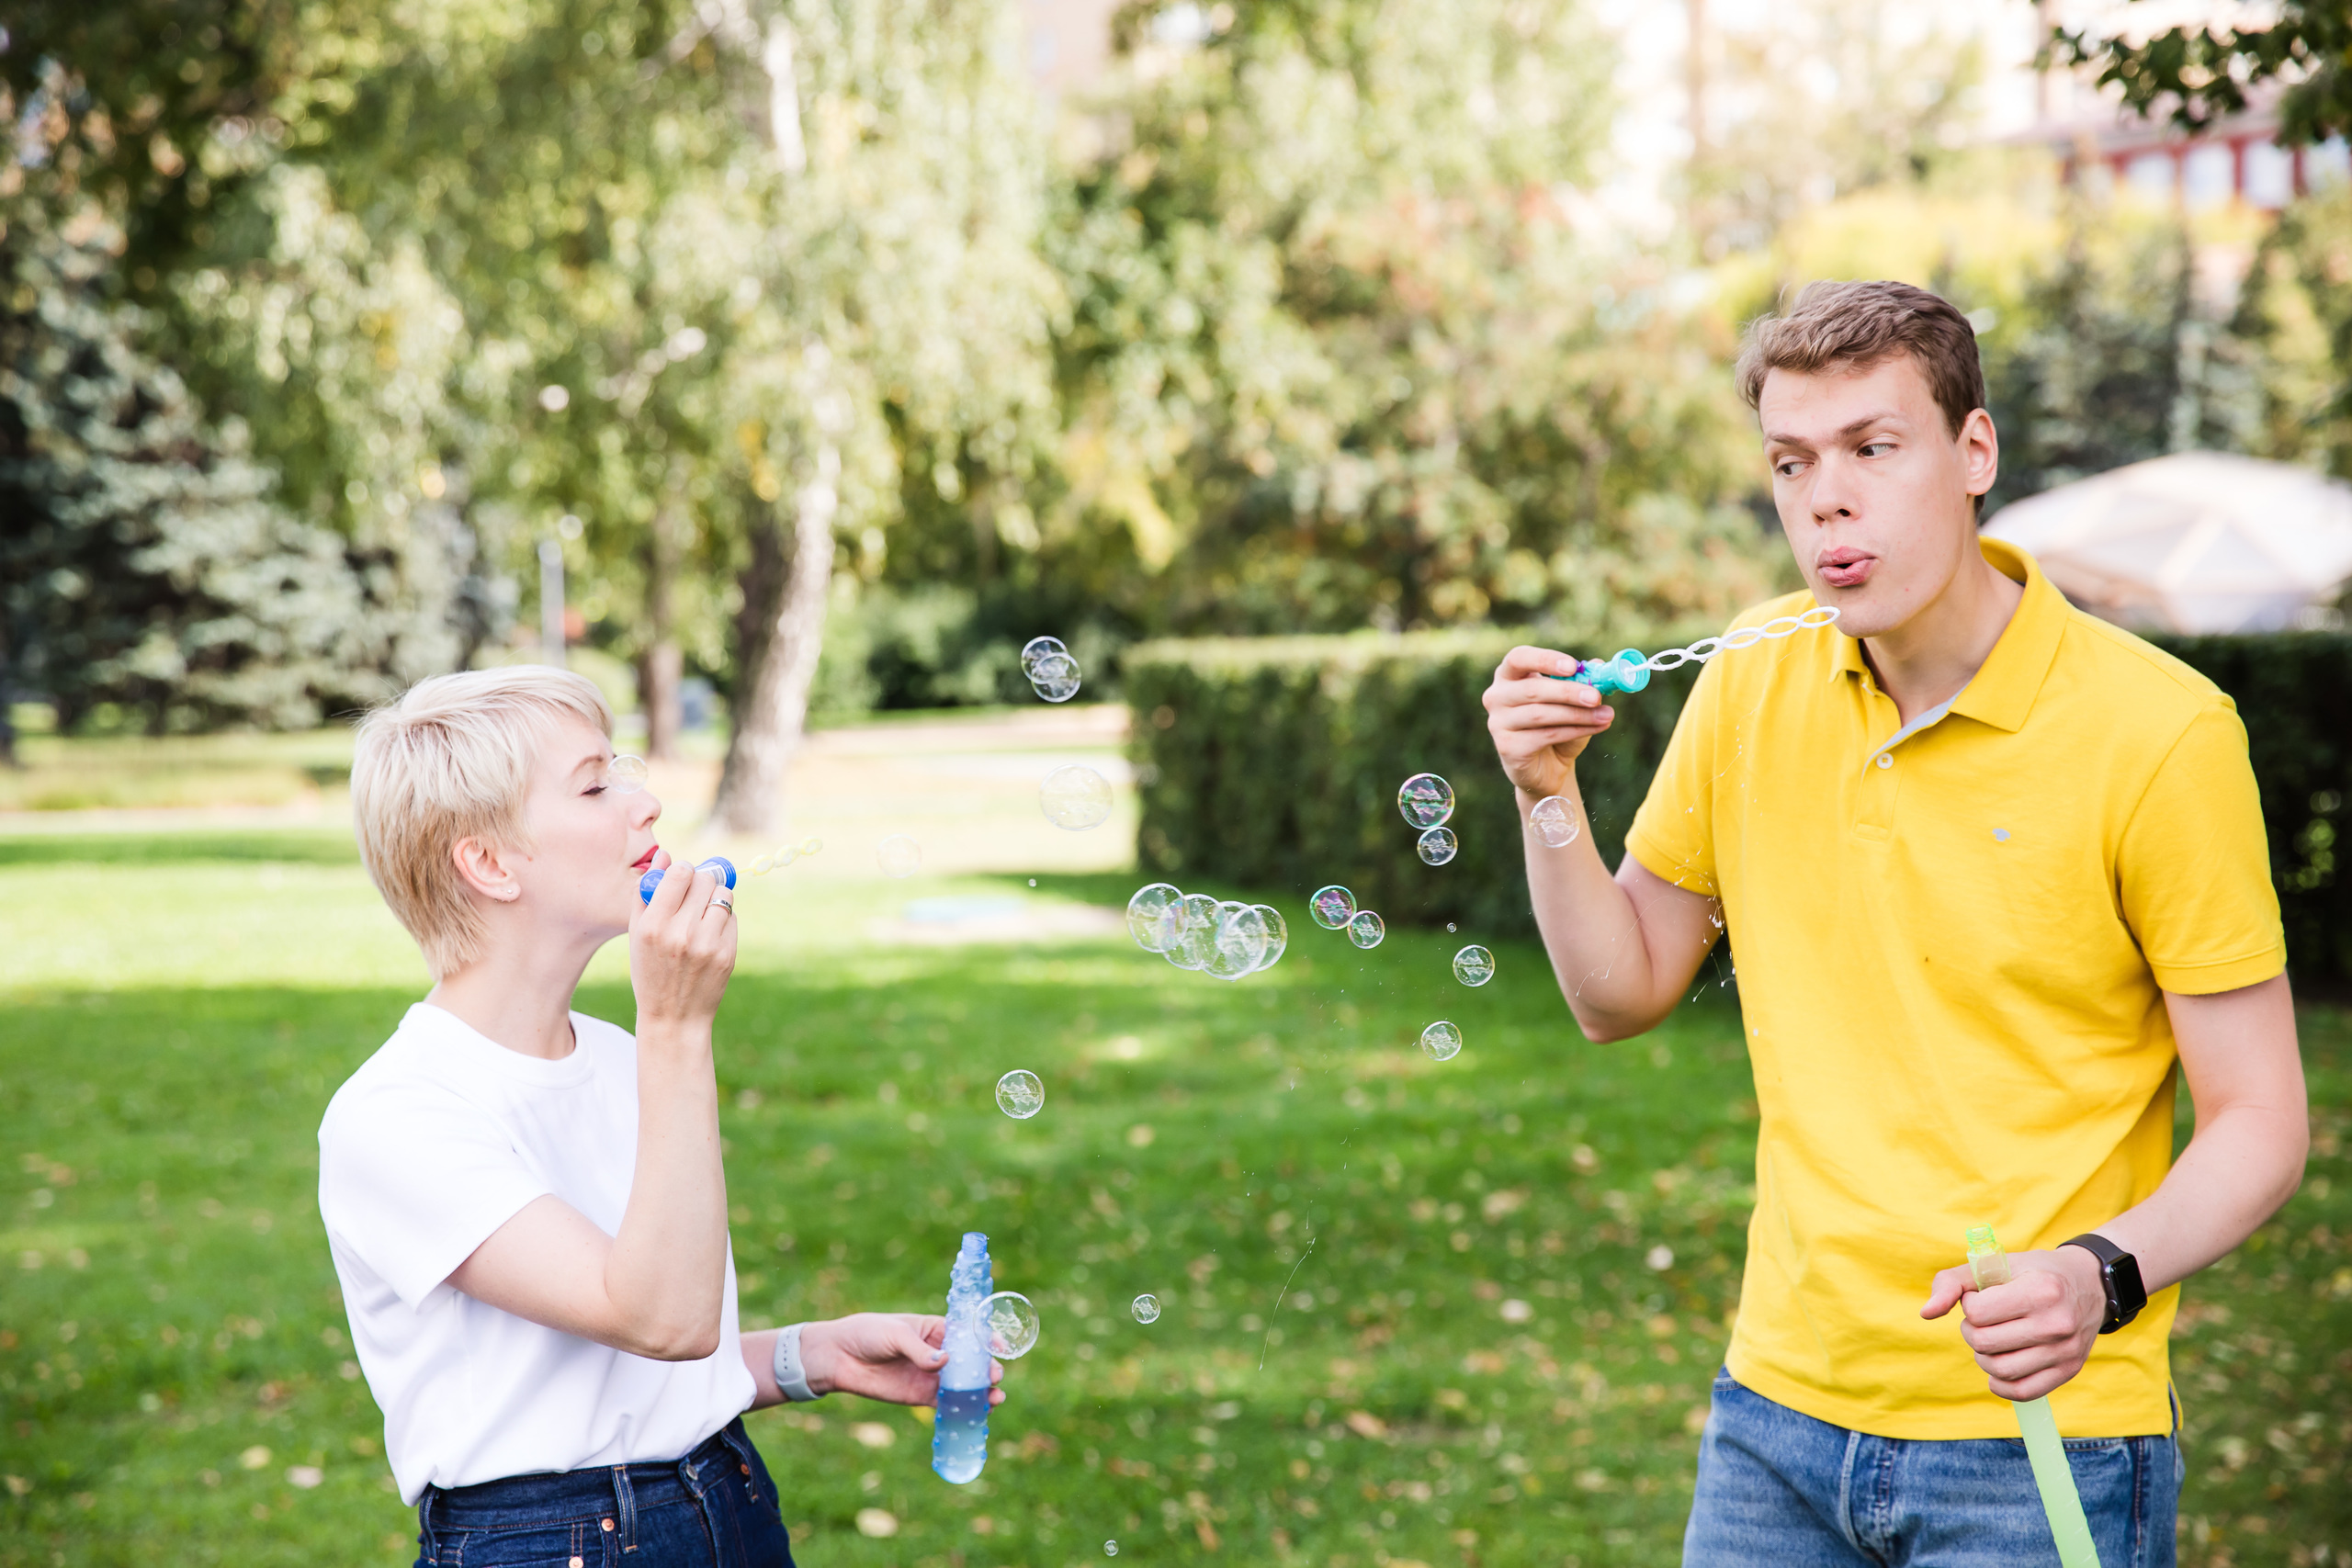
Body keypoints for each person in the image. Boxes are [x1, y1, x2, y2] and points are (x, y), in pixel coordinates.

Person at [1482, 280, 2306, 1567]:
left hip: (2041, 1436)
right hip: (1775, 1416)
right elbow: (1618, 988)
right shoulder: (1754, 673)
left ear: (1973, 455)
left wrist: (2101, 1270)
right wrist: (1547, 797)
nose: (1828, 498)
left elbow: (2262, 1117)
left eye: (1874, 448)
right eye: (1792, 462)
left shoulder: (2160, 733)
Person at [320, 666, 1001, 1567]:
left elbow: (634, 1375)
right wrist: (676, 1029)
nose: (643, 803)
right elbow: (661, 1320)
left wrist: (815, 1356)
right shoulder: (397, 1115)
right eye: (596, 784)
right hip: (550, 1546)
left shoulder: (610, 1055)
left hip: (729, 1499)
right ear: (488, 862)